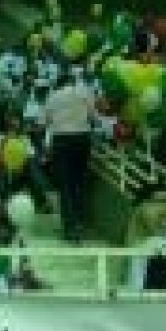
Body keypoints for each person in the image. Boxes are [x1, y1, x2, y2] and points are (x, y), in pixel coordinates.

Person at [43, 70, 95, 243]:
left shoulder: (53, 96)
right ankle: (80, 224)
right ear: (72, 81)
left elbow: (47, 121)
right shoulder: (84, 92)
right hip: (82, 139)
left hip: (62, 140)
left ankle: (70, 228)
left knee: (65, 185)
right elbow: (92, 116)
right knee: (79, 182)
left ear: (59, 83)